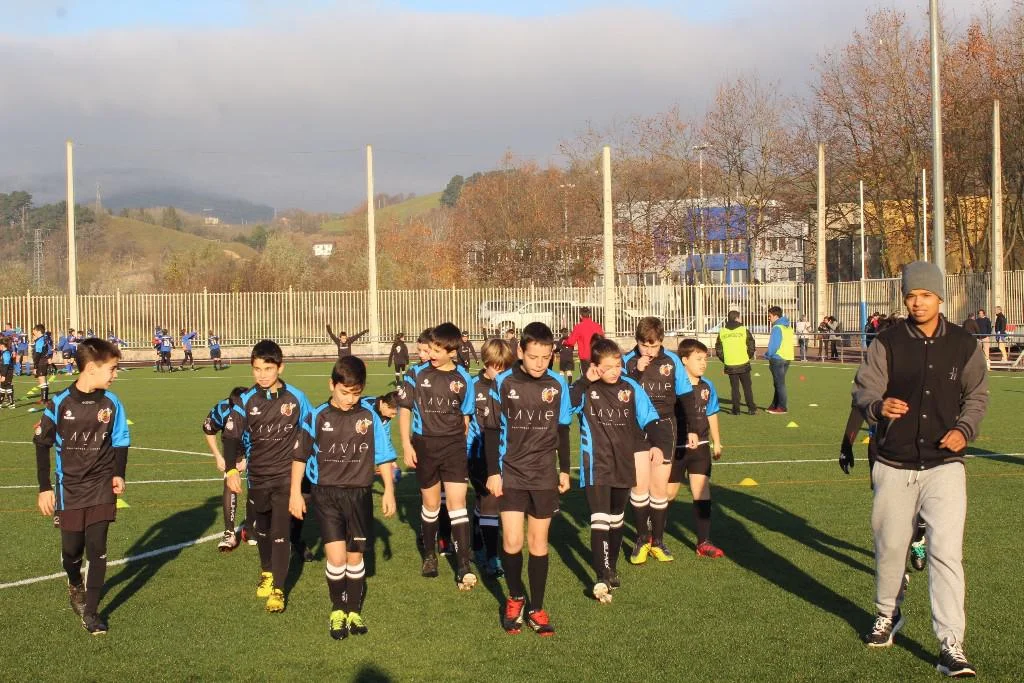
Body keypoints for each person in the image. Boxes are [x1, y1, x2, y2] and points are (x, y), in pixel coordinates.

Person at [852, 261, 988, 677]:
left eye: (926, 295)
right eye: (911, 295)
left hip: (945, 465)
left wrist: (964, 430)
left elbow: (977, 396)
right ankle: (887, 614)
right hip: (893, 463)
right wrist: (879, 407)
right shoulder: (887, 342)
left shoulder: (964, 344)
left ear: (940, 297)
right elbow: (865, 390)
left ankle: (951, 644)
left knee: (946, 553)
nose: (918, 302)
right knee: (892, 547)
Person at [291, 356, 397, 640]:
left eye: (356, 393)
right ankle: (338, 609)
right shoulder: (317, 416)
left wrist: (389, 490)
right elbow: (299, 457)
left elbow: (384, 456)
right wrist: (295, 493)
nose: (350, 399)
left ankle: (354, 611)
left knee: (355, 556)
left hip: (359, 494)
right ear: (332, 385)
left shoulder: (369, 417)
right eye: (344, 392)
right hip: (326, 494)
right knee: (336, 558)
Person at [34, 337, 130, 634]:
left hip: (101, 485)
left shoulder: (112, 403)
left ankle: (91, 613)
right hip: (70, 488)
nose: (115, 375)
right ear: (90, 368)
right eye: (112, 368)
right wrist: (44, 487)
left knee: (97, 548)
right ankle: (74, 581)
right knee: (72, 549)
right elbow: (41, 442)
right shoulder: (60, 403)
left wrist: (119, 474)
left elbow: (120, 440)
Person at [483, 322, 572, 636]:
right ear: (520, 351)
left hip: (544, 474)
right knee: (512, 541)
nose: (539, 363)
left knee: (538, 542)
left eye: (546, 357)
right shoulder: (503, 382)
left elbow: (562, 428)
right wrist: (493, 472)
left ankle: (536, 607)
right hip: (512, 472)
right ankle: (515, 596)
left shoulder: (557, 384)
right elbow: (491, 430)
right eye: (533, 356)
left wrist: (564, 469)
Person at [573, 338, 671, 602]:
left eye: (617, 365)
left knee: (616, 519)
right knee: (600, 519)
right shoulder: (586, 390)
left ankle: (611, 567)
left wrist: (658, 445)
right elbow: (565, 408)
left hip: (623, 464)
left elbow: (650, 418)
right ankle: (602, 575)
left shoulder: (630, 387)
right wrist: (583, 380)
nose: (615, 371)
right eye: (608, 367)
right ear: (595, 366)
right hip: (596, 465)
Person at [222, 339, 314, 613]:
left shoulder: (296, 398)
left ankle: (279, 590)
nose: (262, 375)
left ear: (280, 367)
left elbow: (311, 432)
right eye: (257, 369)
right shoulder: (245, 400)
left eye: (268, 368)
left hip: (286, 477)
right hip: (257, 478)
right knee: (260, 529)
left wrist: (312, 471)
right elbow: (231, 436)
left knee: (280, 532)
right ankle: (267, 572)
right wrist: (231, 469)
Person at [398, 322, 476, 589]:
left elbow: (465, 417)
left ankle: (463, 565)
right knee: (431, 504)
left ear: (452, 351)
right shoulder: (415, 373)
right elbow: (405, 410)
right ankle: (430, 556)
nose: (430, 354)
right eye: (430, 348)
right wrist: (407, 445)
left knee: (457, 504)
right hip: (425, 445)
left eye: (436, 350)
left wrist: (460, 445)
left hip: (453, 447)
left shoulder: (463, 378)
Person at [622, 317, 697, 564]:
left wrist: (693, 429)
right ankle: (642, 539)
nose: (649, 351)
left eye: (653, 346)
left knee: (659, 487)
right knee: (639, 486)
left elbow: (686, 397)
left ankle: (658, 541)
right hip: (637, 427)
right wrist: (637, 371)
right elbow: (620, 394)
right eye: (644, 345)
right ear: (637, 341)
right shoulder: (627, 362)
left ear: (661, 342)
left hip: (665, 426)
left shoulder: (672, 361)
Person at [671, 339, 725, 558]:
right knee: (667, 495)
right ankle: (651, 535)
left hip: (700, 446)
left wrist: (716, 441)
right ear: (684, 360)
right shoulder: (673, 386)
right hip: (676, 447)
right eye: (698, 359)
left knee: (702, 492)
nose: (703, 363)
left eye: (705, 359)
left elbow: (711, 413)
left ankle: (704, 541)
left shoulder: (707, 386)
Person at [467, 338, 516, 578]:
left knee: (484, 502)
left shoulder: (511, 387)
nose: (500, 372)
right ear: (486, 362)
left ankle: (476, 539)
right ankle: (492, 557)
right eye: (496, 367)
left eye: (505, 367)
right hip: (477, 455)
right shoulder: (472, 386)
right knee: (490, 502)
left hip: (504, 455)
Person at [202, 387, 251, 551]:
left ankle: (251, 526)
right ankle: (229, 533)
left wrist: (248, 460)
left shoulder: (259, 408)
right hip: (233, 450)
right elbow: (209, 430)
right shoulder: (222, 408)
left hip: (256, 450)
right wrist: (218, 456)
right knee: (230, 484)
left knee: (258, 487)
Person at [714, 310, 757, 416]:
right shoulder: (744, 330)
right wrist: (748, 355)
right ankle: (751, 408)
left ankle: (736, 410)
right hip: (743, 363)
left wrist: (725, 359)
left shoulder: (722, 332)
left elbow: (718, 349)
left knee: (734, 388)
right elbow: (751, 344)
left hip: (730, 364)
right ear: (737, 318)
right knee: (747, 387)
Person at [765, 306, 794, 414]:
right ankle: (775, 405)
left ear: (776, 316)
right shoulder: (788, 327)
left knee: (779, 384)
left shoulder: (777, 328)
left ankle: (782, 407)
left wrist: (768, 355)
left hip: (778, 358)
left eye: (770, 316)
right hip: (787, 357)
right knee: (778, 383)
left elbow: (774, 345)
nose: (769, 318)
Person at [564, 306, 604, 376]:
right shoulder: (597, 326)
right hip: (597, 356)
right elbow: (603, 341)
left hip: (585, 357)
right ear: (589, 315)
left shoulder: (578, 327)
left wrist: (564, 342)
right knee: (597, 376)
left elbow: (571, 342)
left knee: (586, 378)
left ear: (580, 316)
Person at [31, 324, 50, 403]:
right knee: (43, 379)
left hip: (41, 362)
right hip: (43, 361)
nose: (33, 332)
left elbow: (37, 354)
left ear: (39, 331)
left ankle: (44, 400)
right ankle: (44, 399)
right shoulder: (43, 339)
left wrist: (35, 366)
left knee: (41, 379)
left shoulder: (40, 340)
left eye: (34, 330)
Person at [0, 336, 15, 408]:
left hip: (7, 374)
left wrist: (3, 375)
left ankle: (12, 404)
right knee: (2, 387)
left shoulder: (6, 353)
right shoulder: (4, 352)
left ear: (2, 345)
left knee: (8, 387)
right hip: (5, 373)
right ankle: (1, 403)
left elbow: (6, 365)